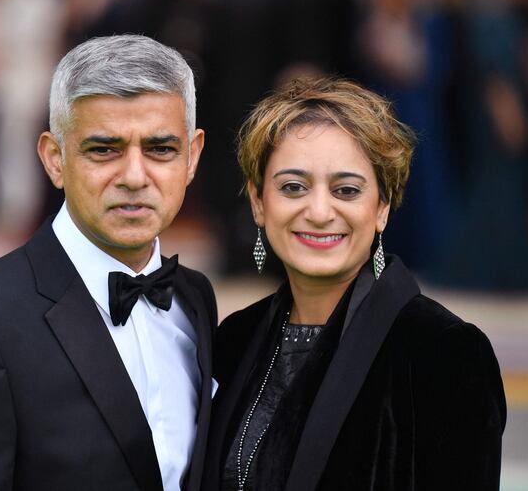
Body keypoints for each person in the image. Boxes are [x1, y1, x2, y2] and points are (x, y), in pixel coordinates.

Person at [0, 35, 217, 491]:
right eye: (104, 149)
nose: (133, 176)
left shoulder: (195, 299)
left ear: (192, 157)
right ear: (54, 159)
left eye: (160, 149)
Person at [202, 77, 506, 491]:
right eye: (294, 187)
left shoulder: (445, 352)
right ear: (259, 202)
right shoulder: (235, 339)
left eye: (346, 190)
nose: (320, 211)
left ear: (382, 207)